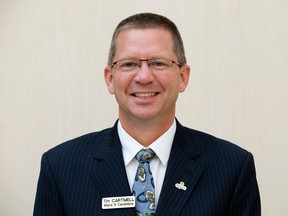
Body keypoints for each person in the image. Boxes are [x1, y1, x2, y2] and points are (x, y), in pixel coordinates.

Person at [33, 13, 261, 216]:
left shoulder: (232, 167)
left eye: (158, 63)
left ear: (182, 77)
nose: (143, 77)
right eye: (129, 64)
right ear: (110, 79)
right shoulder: (60, 167)